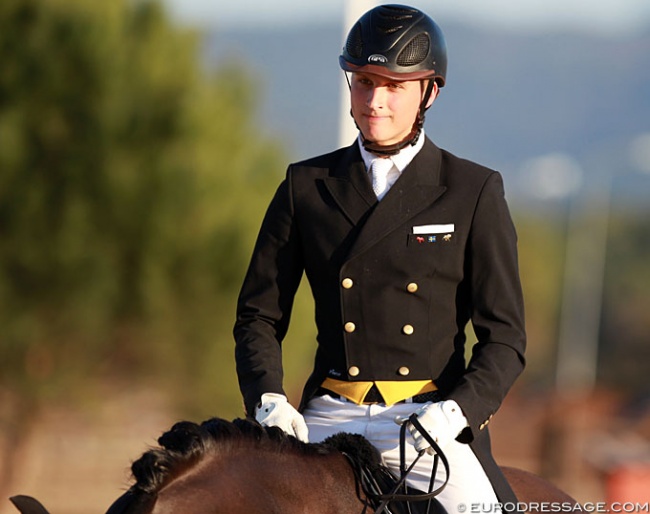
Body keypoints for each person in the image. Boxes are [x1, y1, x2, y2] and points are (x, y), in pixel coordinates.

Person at [234, 4, 526, 512]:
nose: (375, 101)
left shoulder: (472, 190)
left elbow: (506, 339)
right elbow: (258, 315)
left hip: (427, 421)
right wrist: (269, 400)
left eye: (394, 86)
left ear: (429, 91)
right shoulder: (306, 186)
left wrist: (457, 412)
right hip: (327, 416)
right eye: (365, 82)